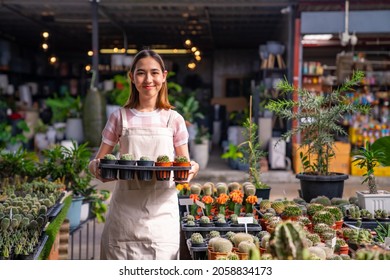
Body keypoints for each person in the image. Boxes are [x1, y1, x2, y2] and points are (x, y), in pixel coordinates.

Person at [88, 49, 199, 260]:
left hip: (161, 219)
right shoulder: (119, 117)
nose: (148, 79)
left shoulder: (174, 119)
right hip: (124, 218)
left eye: (154, 73)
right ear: (132, 77)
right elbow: (98, 161)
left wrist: (193, 169)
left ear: (164, 76)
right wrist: (95, 168)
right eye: (141, 73)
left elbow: (183, 165)